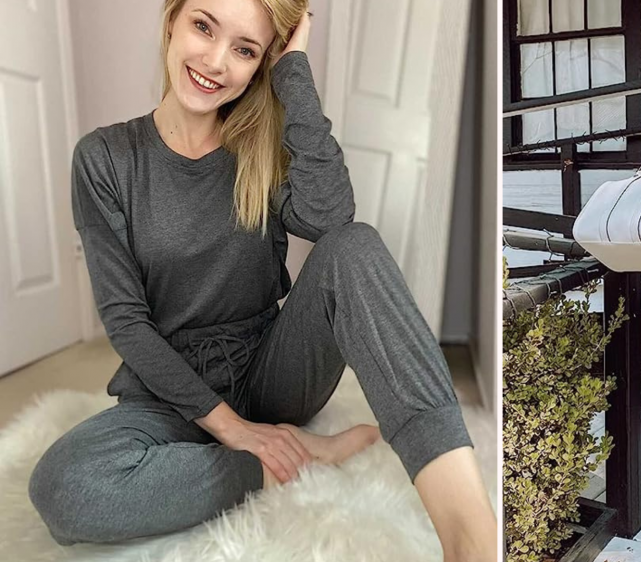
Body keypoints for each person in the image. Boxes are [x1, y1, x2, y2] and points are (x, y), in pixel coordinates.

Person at [26, 1, 496, 560]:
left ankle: (471, 536)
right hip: (166, 391)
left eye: (245, 49)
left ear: (260, 64)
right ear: (171, 19)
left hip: (271, 370)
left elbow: (330, 220)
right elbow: (126, 322)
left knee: (355, 245)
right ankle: (293, 458)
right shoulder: (105, 159)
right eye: (204, 26)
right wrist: (237, 433)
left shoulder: (261, 151)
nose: (217, 61)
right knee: (64, 488)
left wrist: (293, 69)